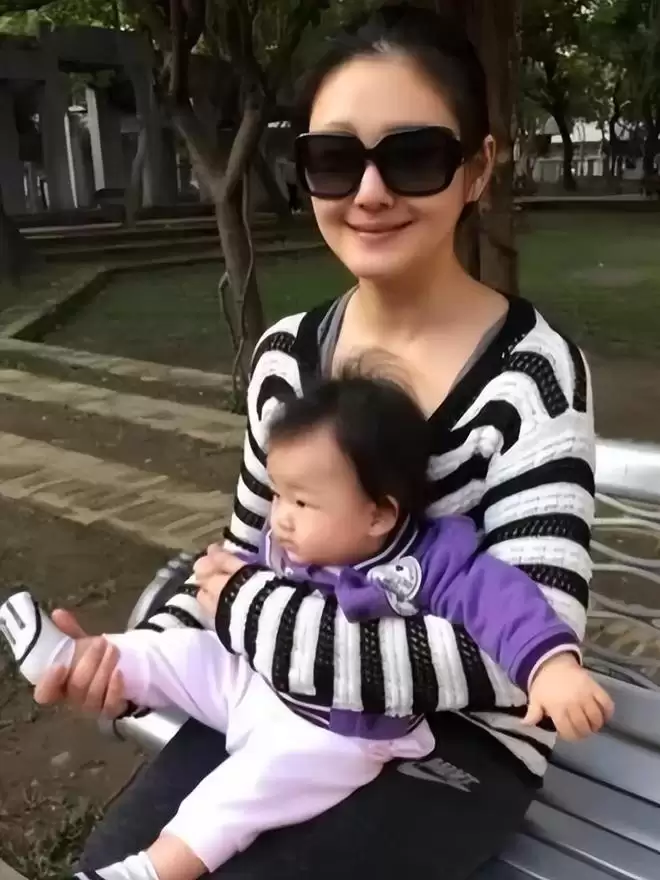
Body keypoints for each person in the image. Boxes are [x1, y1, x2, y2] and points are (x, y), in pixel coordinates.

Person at [31, 5, 598, 879]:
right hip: (275, 696)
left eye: (414, 156)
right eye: (335, 160)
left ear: (479, 168)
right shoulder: (285, 358)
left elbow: (524, 642)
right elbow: (240, 557)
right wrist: (133, 661)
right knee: (118, 861)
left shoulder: (532, 374)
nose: (369, 193)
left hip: (453, 745)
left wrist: (259, 616)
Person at [0, 371, 611, 880]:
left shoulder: (423, 563)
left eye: (300, 501)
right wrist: (207, 597)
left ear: (378, 515)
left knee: (242, 792)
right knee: (181, 653)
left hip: (337, 732)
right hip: (260, 685)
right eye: (278, 495)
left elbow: (503, 601)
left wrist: (550, 666)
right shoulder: (291, 539)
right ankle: (79, 659)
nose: (280, 518)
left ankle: (152, 870)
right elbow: (226, 583)